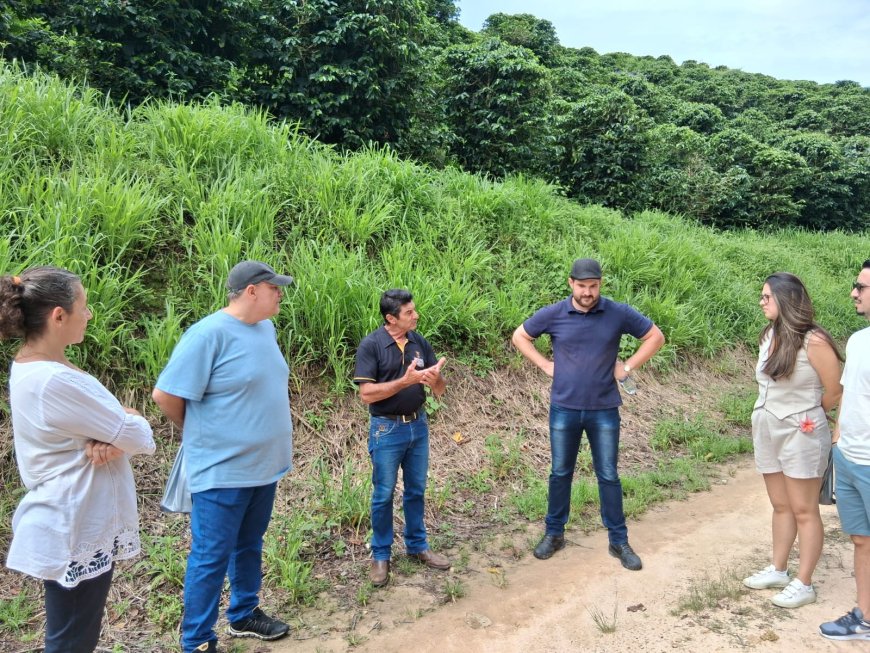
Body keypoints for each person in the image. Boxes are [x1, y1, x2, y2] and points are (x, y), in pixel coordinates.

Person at [0, 266, 155, 653]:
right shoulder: (54, 381)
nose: (88, 315)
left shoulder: (36, 367)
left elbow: (123, 429)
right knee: (71, 641)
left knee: (75, 636)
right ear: (59, 316)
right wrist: (127, 425)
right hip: (74, 522)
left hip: (76, 518)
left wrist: (118, 432)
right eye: (84, 307)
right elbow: (139, 435)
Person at [152, 260, 295, 653]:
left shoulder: (265, 328)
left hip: (263, 467)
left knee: (249, 544)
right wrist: (205, 435)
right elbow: (165, 395)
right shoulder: (207, 334)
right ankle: (196, 640)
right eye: (274, 288)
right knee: (211, 556)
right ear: (252, 291)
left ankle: (244, 614)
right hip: (222, 471)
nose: (280, 293)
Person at [512, 258, 665, 570]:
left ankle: (618, 541)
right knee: (559, 473)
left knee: (608, 475)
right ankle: (554, 534)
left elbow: (655, 337)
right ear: (571, 283)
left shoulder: (616, 312)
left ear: (600, 283)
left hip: (604, 409)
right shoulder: (555, 314)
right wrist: (544, 365)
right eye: (582, 286)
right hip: (564, 408)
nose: (587, 292)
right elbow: (520, 336)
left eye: (593, 286)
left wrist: (627, 367)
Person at [742, 273, 842, 609]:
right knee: (780, 504)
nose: (761, 302)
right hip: (768, 427)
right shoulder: (769, 335)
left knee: (804, 508)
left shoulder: (814, 341)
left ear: (785, 299)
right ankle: (779, 568)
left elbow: (835, 389)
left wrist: (811, 418)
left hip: (802, 433)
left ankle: (804, 583)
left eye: (766, 296)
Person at [353, 289, 449, 587]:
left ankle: (418, 546)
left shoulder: (419, 342)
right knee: (383, 495)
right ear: (391, 318)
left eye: (414, 310)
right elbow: (366, 394)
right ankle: (381, 555)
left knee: (416, 490)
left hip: (418, 427)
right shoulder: (372, 345)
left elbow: (441, 390)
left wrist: (436, 380)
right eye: (409, 312)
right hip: (387, 430)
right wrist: (404, 382)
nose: (416, 315)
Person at [819, 259, 870, 640]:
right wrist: (837, 439)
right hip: (849, 457)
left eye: (862, 287)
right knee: (860, 539)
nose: (854, 292)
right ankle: (865, 617)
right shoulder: (857, 341)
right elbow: (848, 396)